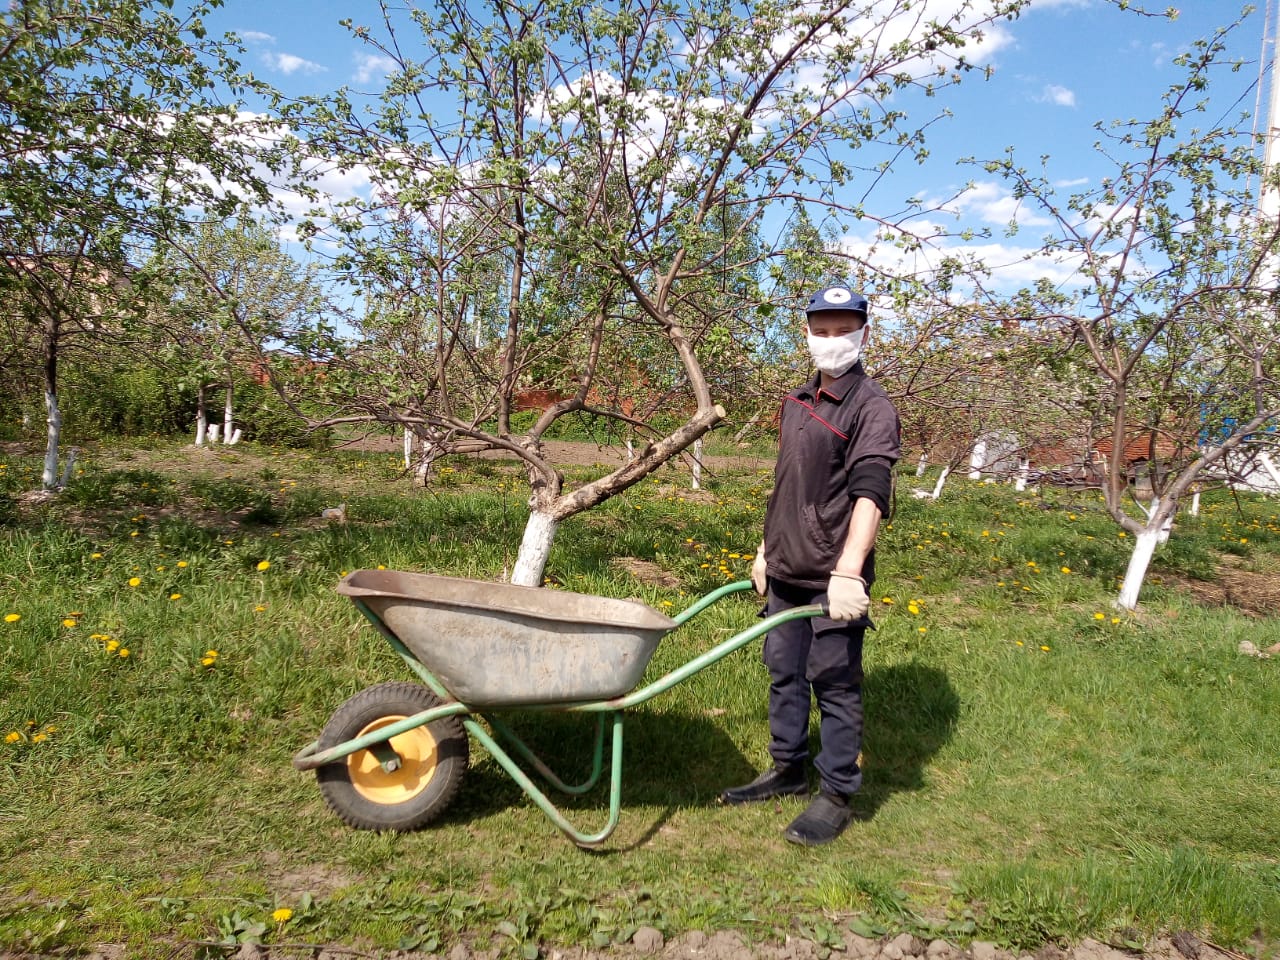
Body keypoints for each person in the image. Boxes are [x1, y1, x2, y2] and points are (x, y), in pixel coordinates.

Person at [719, 283, 900, 846]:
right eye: (820, 330)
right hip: (786, 568)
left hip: (832, 575)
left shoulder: (871, 407)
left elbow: (871, 491)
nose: (831, 340)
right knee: (784, 673)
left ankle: (837, 793)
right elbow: (787, 484)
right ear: (806, 335)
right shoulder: (796, 402)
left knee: (835, 682)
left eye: (843, 330)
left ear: (864, 334)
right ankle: (788, 769)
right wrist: (764, 550)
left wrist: (850, 570)